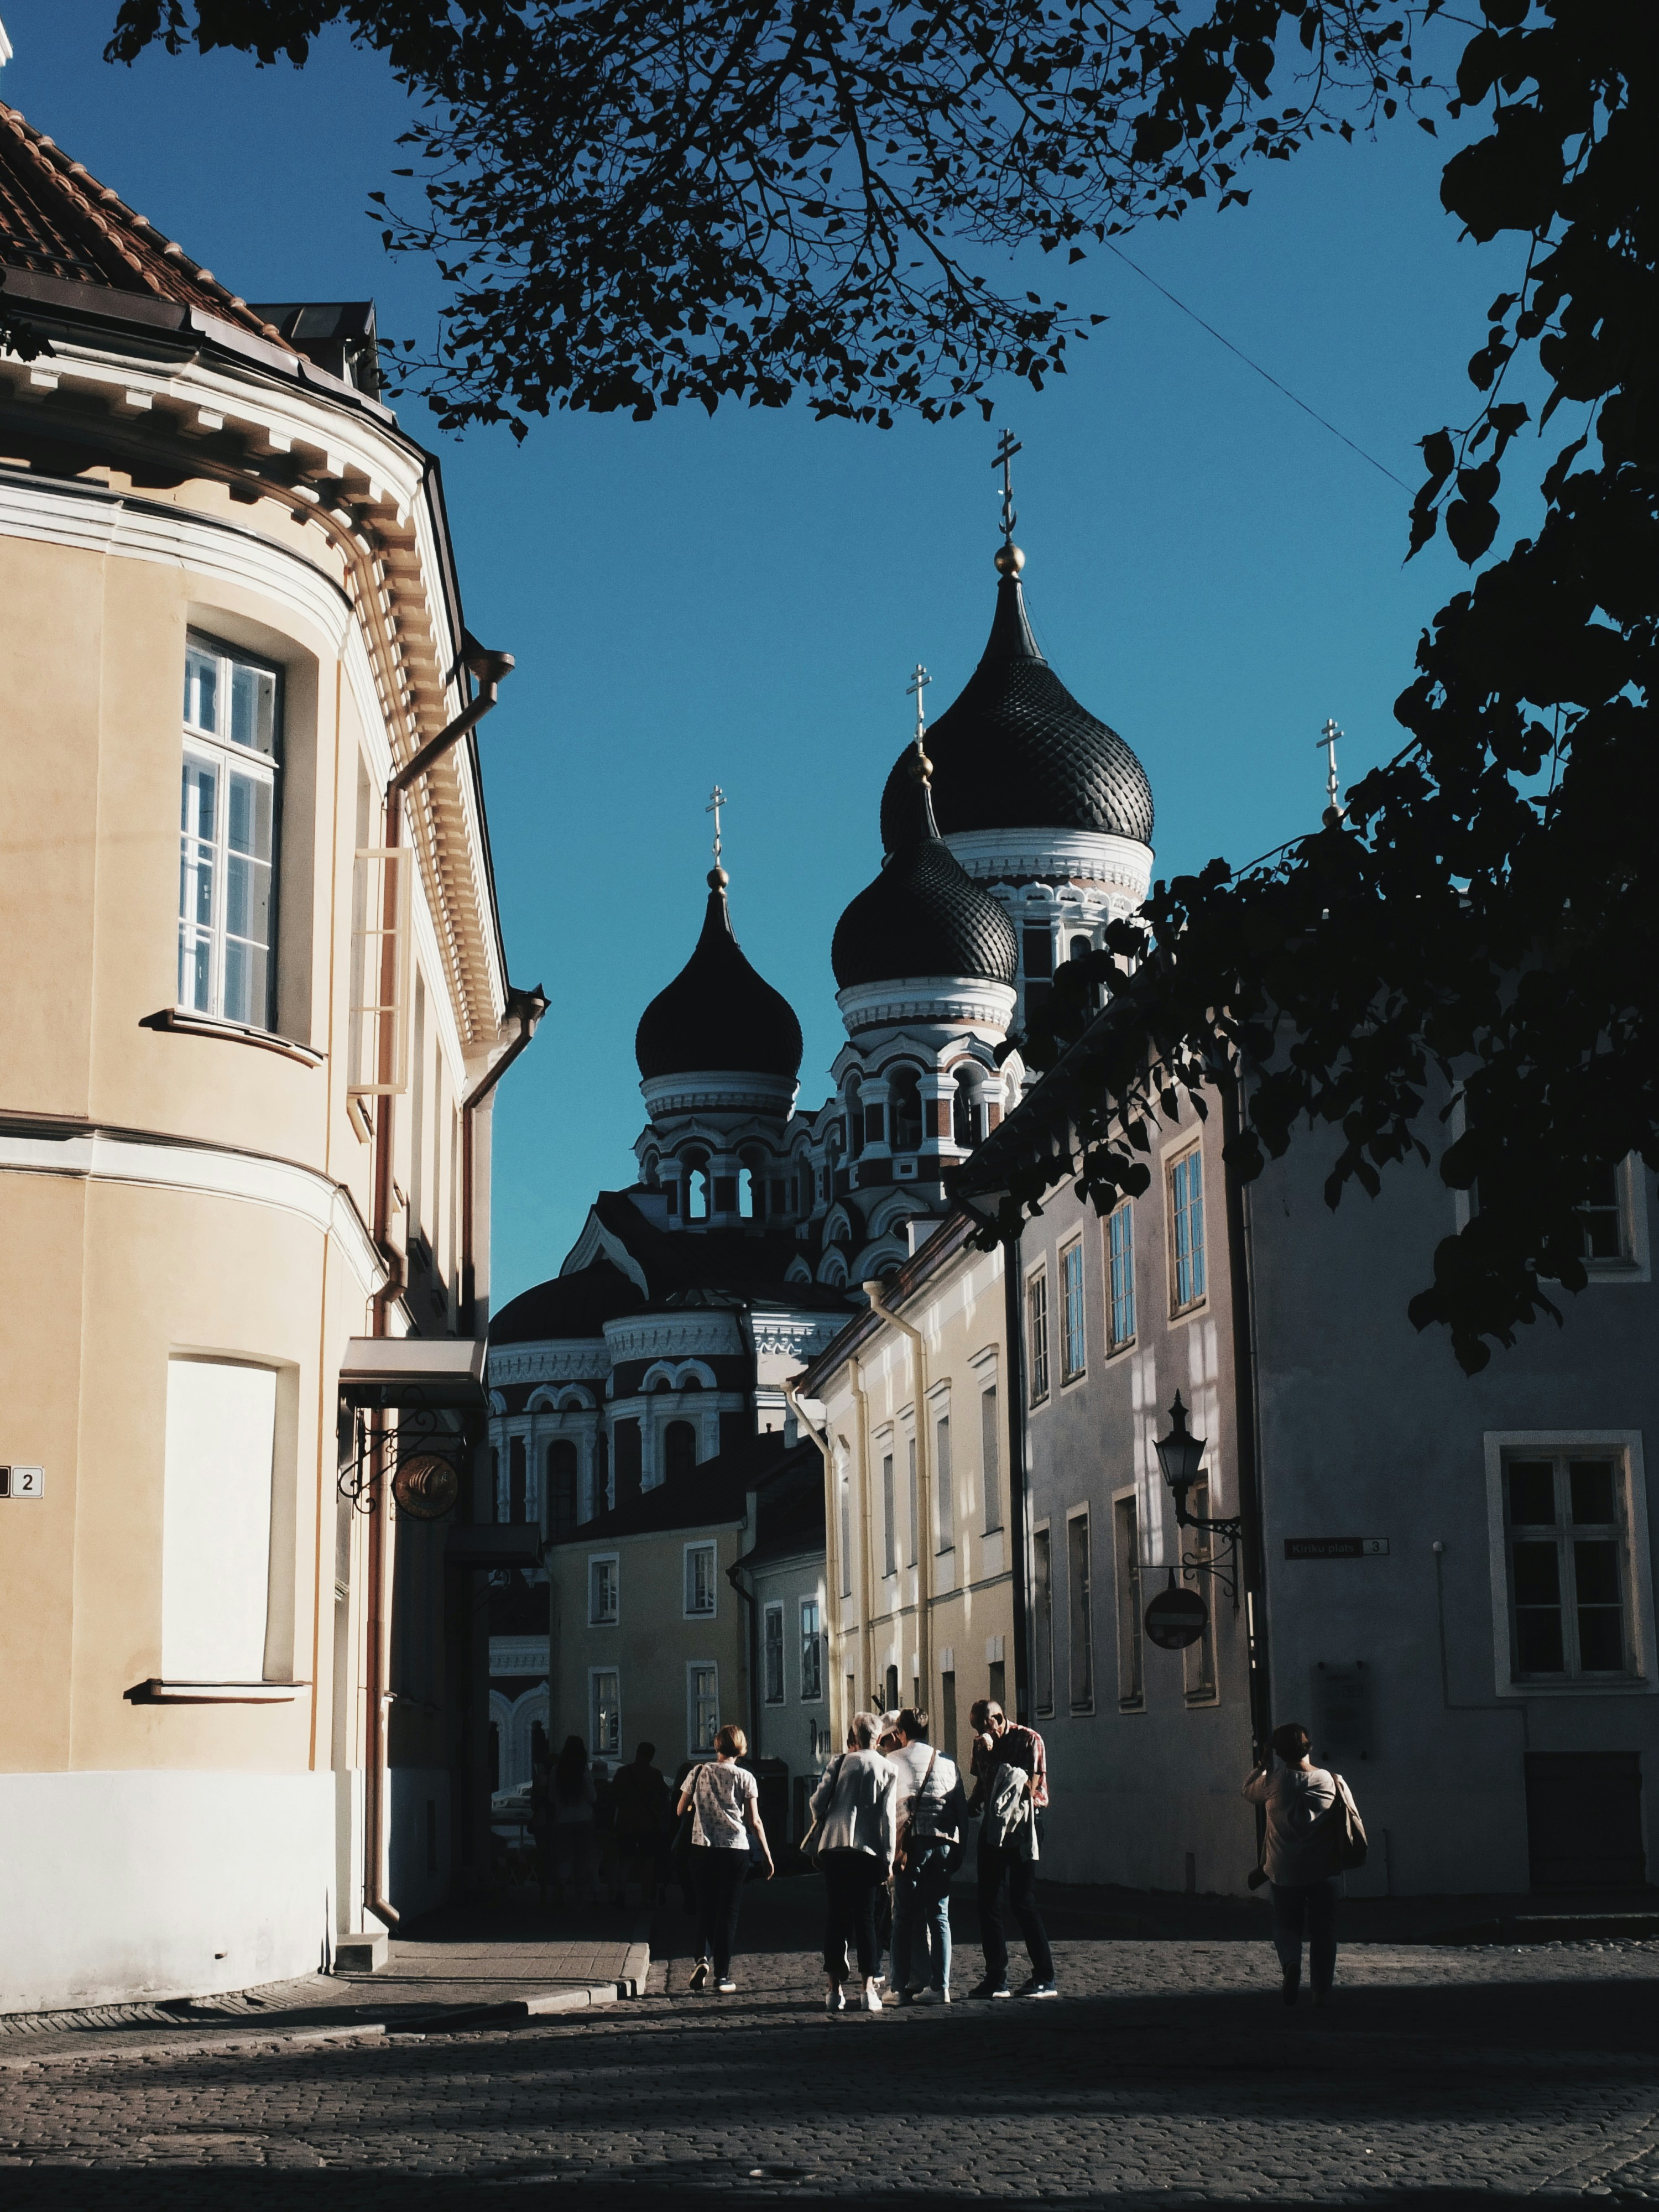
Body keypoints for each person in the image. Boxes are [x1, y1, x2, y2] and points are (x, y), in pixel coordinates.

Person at [1243, 1721, 1343, 2007]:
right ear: (1308, 1745)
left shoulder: (1275, 1782)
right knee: (1324, 1932)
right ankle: (1320, 1993)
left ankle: (1290, 1963)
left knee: (1287, 1926)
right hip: (1323, 1869)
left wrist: (1263, 1765)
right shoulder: (1327, 1780)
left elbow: (1247, 1791)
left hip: (1284, 1870)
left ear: (1278, 1752)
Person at [809, 1712, 899, 2013]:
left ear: (854, 1736)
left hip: (835, 1847)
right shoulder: (888, 1768)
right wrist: (888, 1857)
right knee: (866, 1919)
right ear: (877, 1737)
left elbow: (816, 1803)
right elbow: (888, 1818)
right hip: (868, 1850)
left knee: (836, 1916)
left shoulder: (839, 1763)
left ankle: (834, 1991)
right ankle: (868, 1990)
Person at [967, 1696, 1056, 1999]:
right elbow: (982, 1781)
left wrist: (997, 1760)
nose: (980, 1733)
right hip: (993, 1825)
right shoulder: (980, 1745)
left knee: (1022, 1901)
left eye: (984, 1726)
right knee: (987, 1901)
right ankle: (996, 1978)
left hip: (1023, 1822)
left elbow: (1030, 1785)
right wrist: (971, 1804)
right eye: (976, 1728)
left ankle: (1045, 1977)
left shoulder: (1029, 1739)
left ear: (999, 1718)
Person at [676, 1724, 774, 1993]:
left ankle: (701, 1958)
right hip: (734, 1850)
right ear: (740, 1748)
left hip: (702, 1849)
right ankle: (722, 1976)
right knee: (728, 1914)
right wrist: (766, 1855)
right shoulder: (746, 1777)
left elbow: (680, 1809)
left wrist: (700, 1806)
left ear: (717, 1746)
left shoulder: (697, 1772)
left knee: (704, 1908)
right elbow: (754, 1821)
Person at [886, 1707, 966, 2005]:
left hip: (911, 1845)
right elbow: (960, 1806)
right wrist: (962, 1845)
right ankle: (941, 1986)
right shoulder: (946, 1760)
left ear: (901, 1733)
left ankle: (900, 1987)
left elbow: (885, 1807)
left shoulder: (893, 1760)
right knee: (940, 1916)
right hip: (943, 1842)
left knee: (904, 1917)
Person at [612, 1741, 671, 1906]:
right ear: (651, 1757)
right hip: (648, 1823)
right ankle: (645, 1897)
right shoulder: (655, 1775)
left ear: (637, 1753)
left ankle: (621, 1891)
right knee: (648, 1860)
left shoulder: (623, 1773)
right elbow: (664, 1797)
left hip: (626, 1822)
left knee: (625, 1859)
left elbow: (614, 1796)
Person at [549, 1735, 598, 1907]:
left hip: (562, 1819)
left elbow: (552, 1796)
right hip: (584, 1818)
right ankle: (583, 1891)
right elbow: (593, 1797)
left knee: (564, 1856)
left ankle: (561, 1886)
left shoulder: (557, 1770)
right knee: (583, 1857)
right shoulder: (583, 1771)